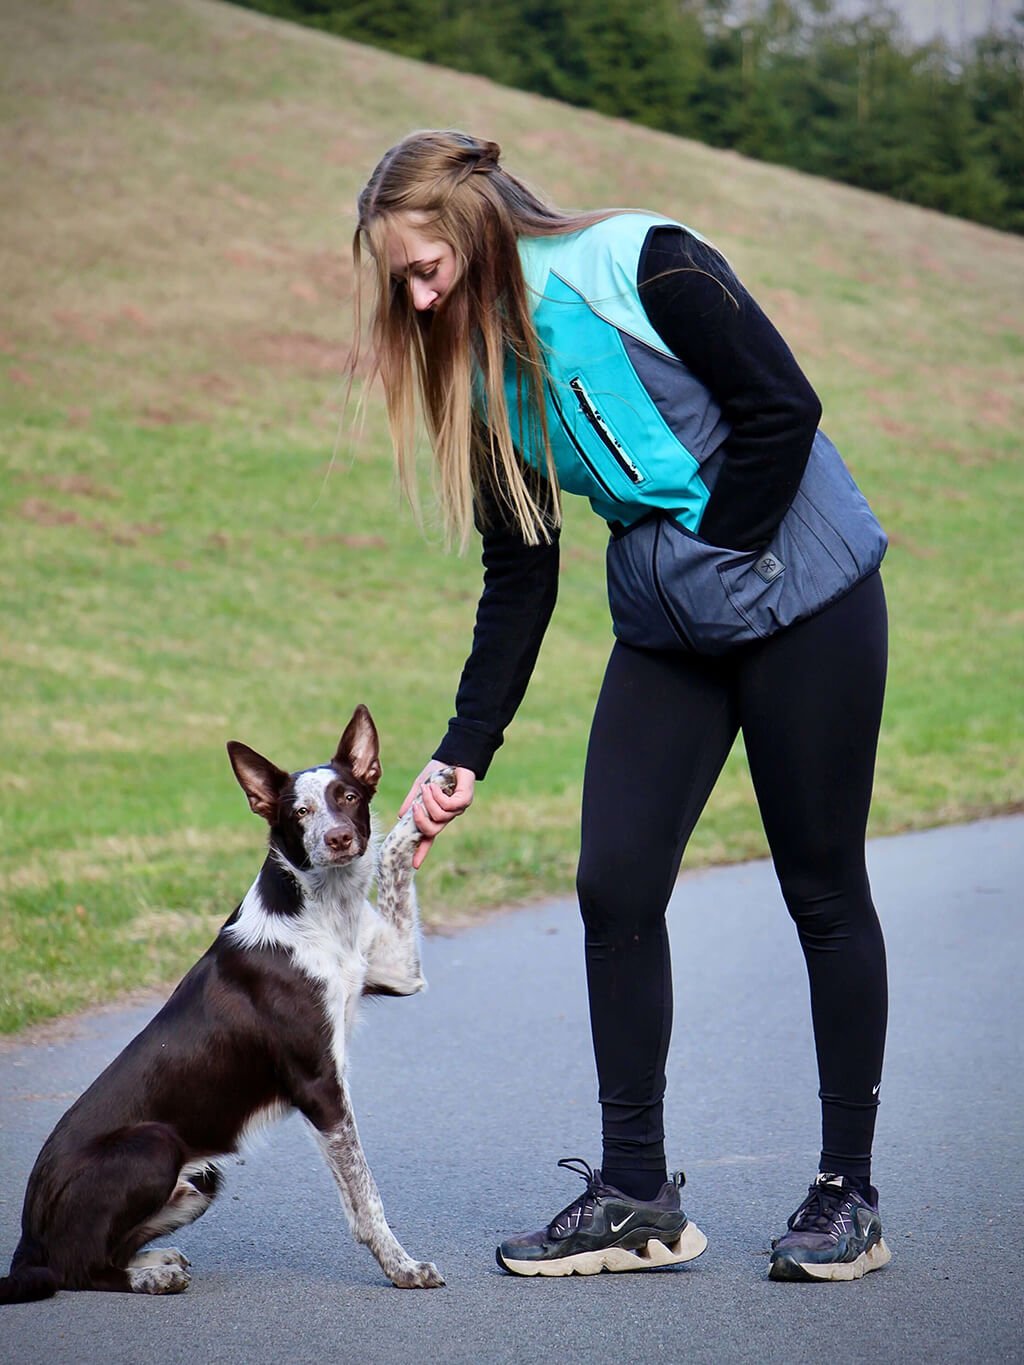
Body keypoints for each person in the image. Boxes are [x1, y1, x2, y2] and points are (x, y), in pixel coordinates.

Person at [352, 129, 892, 1283]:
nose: (414, 292)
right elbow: (521, 570)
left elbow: (781, 409)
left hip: (807, 600)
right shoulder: (481, 370)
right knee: (615, 882)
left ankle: (848, 1195)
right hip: (674, 633)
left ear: (477, 223)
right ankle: (637, 1193)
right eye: (397, 277)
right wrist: (464, 750)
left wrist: (716, 550)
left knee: (822, 889)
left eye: (425, 265)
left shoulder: (640, 262)